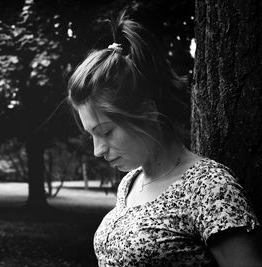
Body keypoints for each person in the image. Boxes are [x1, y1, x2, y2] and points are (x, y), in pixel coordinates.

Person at [67, 12, 262, 267]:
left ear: (147, 111)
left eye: (105, 132)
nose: (97, 150)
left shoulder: (209, 186)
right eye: (91, 135)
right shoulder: (129, 183)